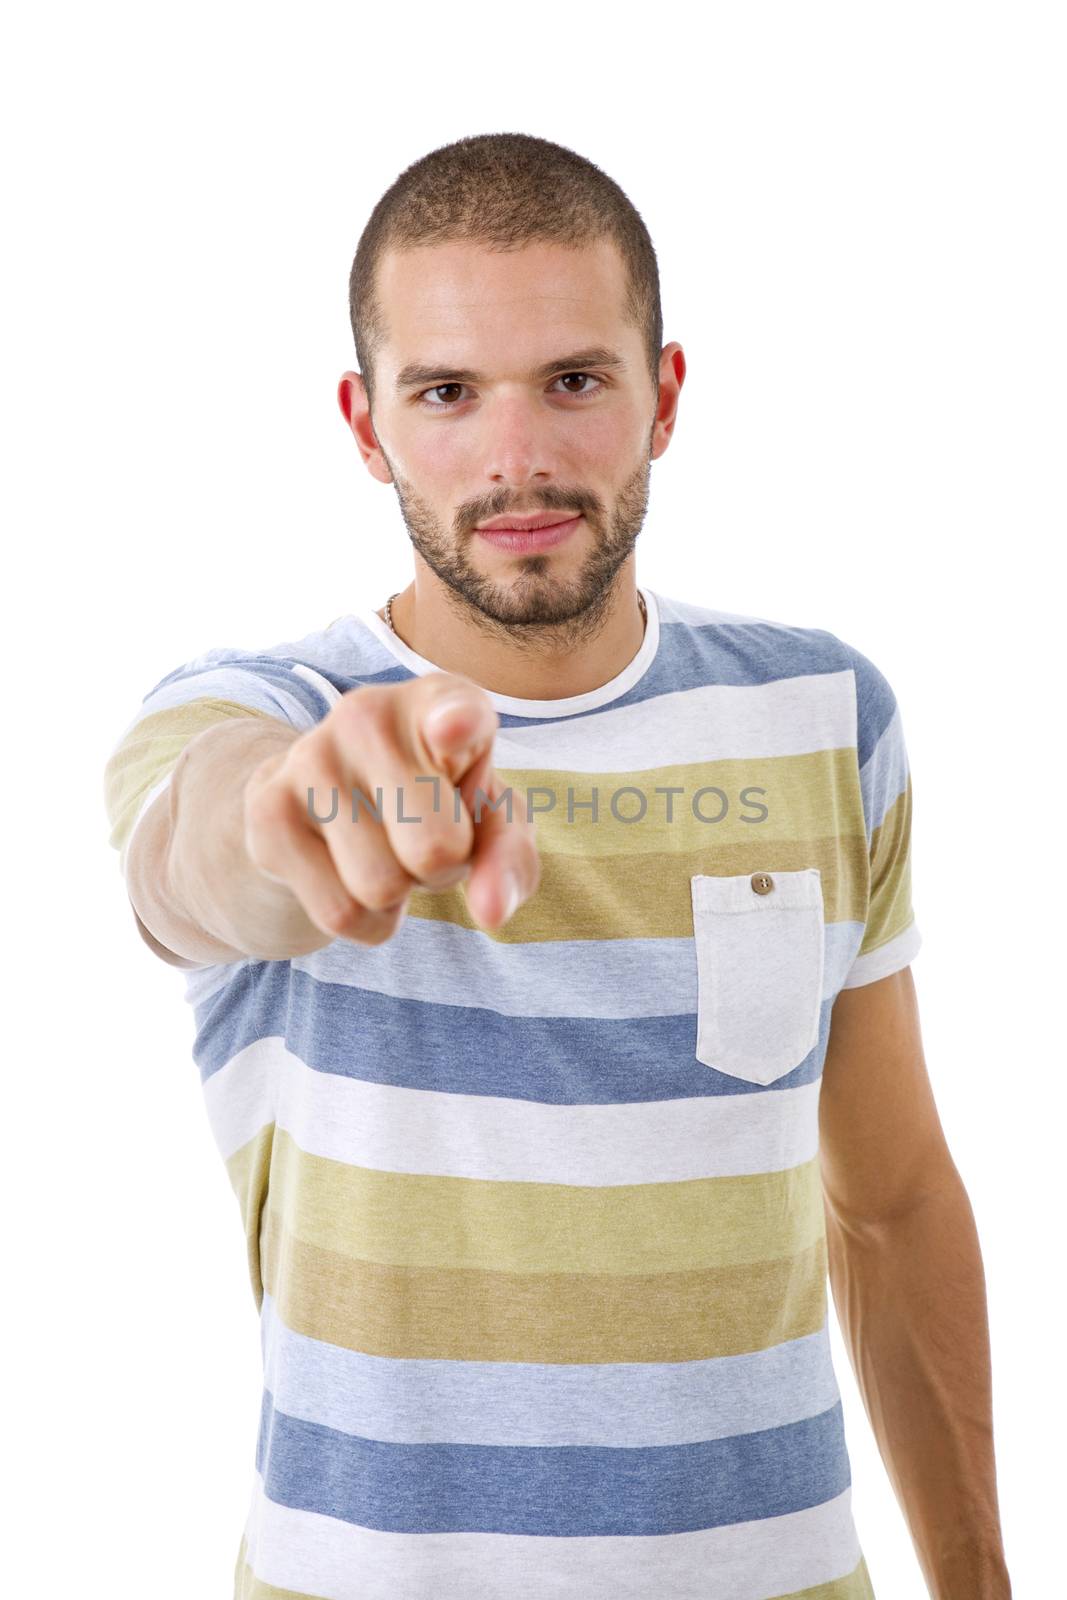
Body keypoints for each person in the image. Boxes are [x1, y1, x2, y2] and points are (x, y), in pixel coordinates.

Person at [103, 132, 1012, 1600]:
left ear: (665, 396)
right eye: (448, 393)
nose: (517, 458)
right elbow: (194, 859)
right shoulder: (265, 715)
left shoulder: (827, 717)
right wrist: (292, 815)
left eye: (575, 381)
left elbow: (893, 1199)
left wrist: (978, 1577)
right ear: (366, 420)